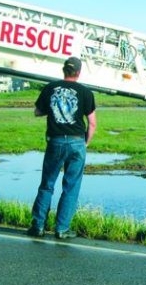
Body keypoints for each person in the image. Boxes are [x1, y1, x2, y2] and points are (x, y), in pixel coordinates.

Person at [27, 56, 97, 239]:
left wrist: (50, 110)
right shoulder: (86, 92)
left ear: (63, 70)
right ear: (79, 72)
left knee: (47, 184)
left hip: (55, 141)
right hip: (76, 142)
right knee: (71, 186)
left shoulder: (50, 88)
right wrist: (85, 143)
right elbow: (92, 124)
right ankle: (62, 229)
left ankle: (38, 226)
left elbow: (37, 112)